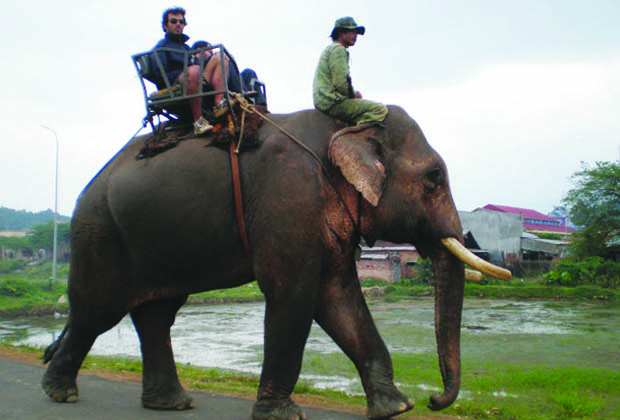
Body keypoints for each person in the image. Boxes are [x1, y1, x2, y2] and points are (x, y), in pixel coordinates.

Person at [150, 7, 230, 134]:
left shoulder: (186, 48)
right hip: (176, 84)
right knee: (192, 71)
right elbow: (158, 74)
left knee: (221, 57)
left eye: (181, 22)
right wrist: (188, 73)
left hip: (197, 78)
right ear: (165, 26)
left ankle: (218, 103)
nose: (178, 24)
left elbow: (198, 67)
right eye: (174, 21)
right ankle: (199, 121)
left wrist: (199, 71)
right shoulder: (161, 48)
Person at [312, 17, 387, 127]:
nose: (355, 35)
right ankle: (355, 135)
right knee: (379, 109)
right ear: (341, 33)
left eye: (356, 32)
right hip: (332, 102)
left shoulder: (331, 49)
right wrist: (353, 95)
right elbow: (340, 83)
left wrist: (353, 92)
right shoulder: (338, 50)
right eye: (352, 32)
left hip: (324, 100)